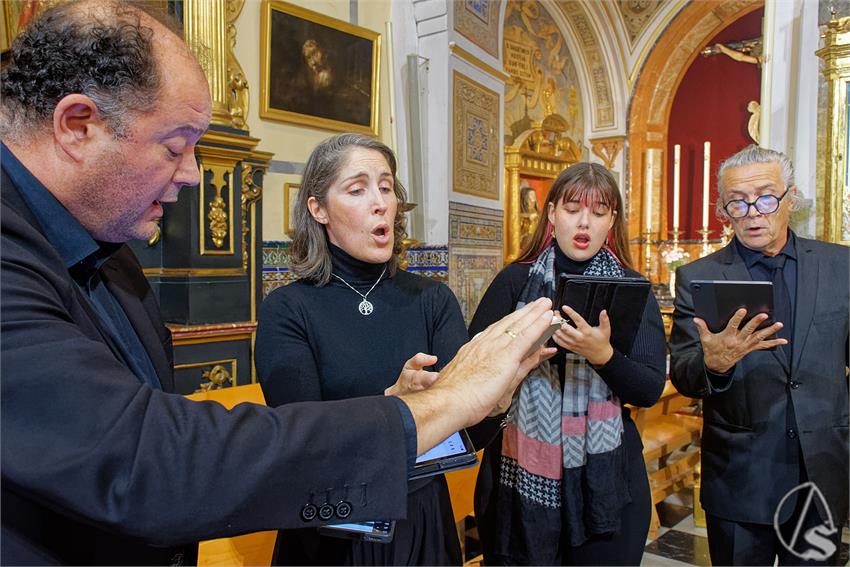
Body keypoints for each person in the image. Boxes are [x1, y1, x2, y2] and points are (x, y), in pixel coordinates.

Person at [0, 2, 558, 564]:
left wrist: (482, 404)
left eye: (387, 186)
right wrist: (451, 397)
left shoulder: (114, 260)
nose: (195, 173)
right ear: (78, 125)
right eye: (175, 147)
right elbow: (148, 458)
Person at [255, 134, 468, 565]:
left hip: (419, 521)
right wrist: (395, 404)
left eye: (386, 187)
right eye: (358, 189)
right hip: (330, 528)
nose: (380, 202)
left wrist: (496, 390)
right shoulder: (288, 309)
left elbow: (466, 434)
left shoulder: (432, 300)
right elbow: (305, 440)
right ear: (318, 209)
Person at [469, 162, 666, 565]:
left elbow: (648, 389)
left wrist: (603, 356)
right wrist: (516, 364)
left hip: (605, 481)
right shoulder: (514, 282)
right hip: (516, 471)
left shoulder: (631, 288)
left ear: (611, 220)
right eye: (573, 208)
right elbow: (472, 370)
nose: (584, 222)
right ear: (552, 212)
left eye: (598, 212)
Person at [669, 145, 849, 565]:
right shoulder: (700, 277)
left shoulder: (840, 266)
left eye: (766, 197)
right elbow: (683, 373)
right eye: (738, 201)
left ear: (791, 198)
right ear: (724, 209)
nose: (752, 211)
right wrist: (714, 362)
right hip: (739, 477)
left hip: (819, 473)